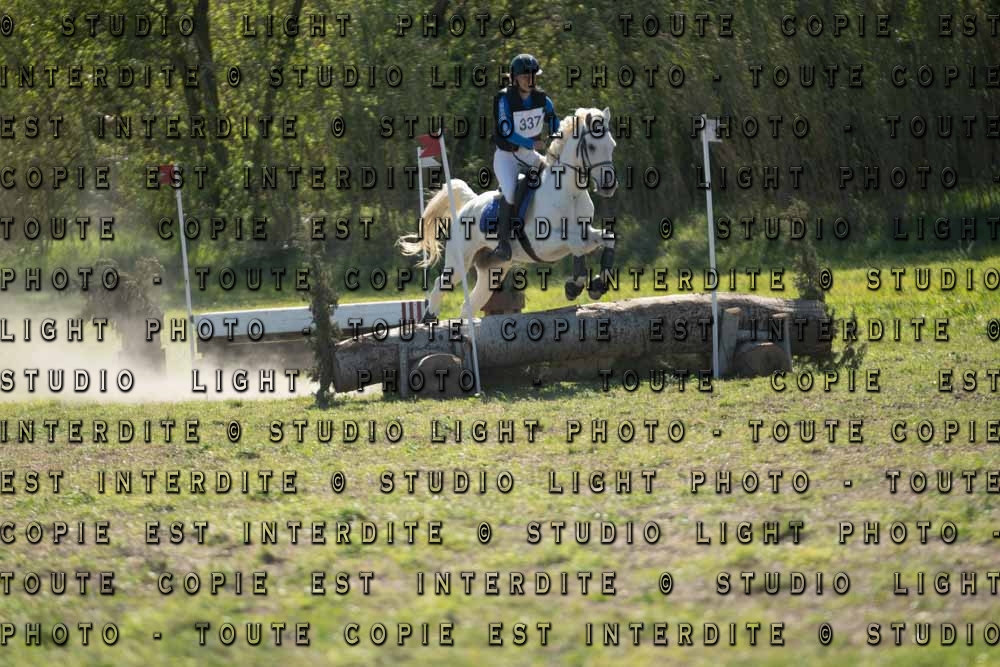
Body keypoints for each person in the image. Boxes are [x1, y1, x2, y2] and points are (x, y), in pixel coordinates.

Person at [489, 53, 559, 263]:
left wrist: (555, 135)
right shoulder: (504, 99)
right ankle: (503, 243)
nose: (530, 80)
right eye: (525, 76)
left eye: (533, 76)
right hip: (507, 157)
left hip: (529, 156)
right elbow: (506, 131)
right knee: (510, 192)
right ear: (514, 78)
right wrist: (530, 143)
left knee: (554, 178)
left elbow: (553, 119)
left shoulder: (542, 99)